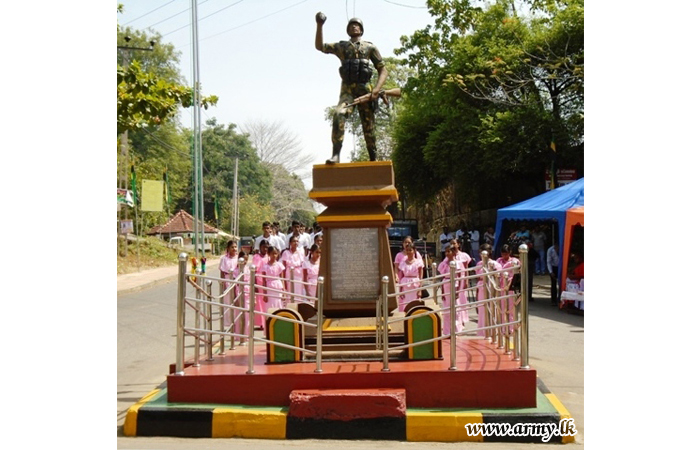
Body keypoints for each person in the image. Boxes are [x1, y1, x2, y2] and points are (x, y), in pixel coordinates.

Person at [315, 12, 388, 163]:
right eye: (351, 25)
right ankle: (336, 155)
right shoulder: (342, 47)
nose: (354, 27)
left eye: (357, 25)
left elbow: (383, 69)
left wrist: (376, 89)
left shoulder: (370, 47)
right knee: (338, 114)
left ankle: (373, 158)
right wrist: (319, 25)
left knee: (369, 126)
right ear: (347, 30)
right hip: (347, 91)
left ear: (361, 29)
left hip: (365, 90)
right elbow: (320, 46)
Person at [474, 244, 503, 337]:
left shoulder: (496, 264)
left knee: (492, 308)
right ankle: (482, 331)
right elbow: (478, 277)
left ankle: (492, 331)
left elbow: (499, 276)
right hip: (482, 285)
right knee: (482, 309)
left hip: (492, 285)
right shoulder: (479, 264)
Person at [438, 245, 464, 336]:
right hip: (446, 284)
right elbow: (442, 277)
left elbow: (460, 277)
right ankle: (447, 331)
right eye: (446, 252)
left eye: (449, 251)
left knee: (455, 308)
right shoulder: (444, 263)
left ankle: (456, 330)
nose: (447, 253)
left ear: (453, 253)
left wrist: (458, 291)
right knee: (446, 309)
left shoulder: (457, 263)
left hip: (454, 284)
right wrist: (442, 291)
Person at [496, 244, 520, 332]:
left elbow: (516, 274)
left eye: (506, 254)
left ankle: (510, 328)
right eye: (502, 254)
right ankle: (503, 327)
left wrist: (509, 284)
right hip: (501, 285)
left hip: (510, 286)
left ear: (510, 252)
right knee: (502, 307)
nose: (504, 256)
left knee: (510, 308)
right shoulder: (499, 260)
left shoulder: (514, 261)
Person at [397, 243, 424, 312]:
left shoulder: (418, 262)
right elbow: (401, 276)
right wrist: (400, 290)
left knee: (414, 304)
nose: (408, 252)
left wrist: (420, 290)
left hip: (415, 284)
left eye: (410, 250)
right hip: (405, 285)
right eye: (407, 250)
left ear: (414, 251)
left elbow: (421, 276)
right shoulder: (403, 262)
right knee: (405, 304)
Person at [218, 240, 239, 331]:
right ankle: (229, 323)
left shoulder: (238, 258)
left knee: (236, 302)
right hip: (228, 280)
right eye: (232, 247)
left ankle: (237, 323)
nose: (234, 249)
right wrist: (223, 284)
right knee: (228, 302)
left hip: (237, 281)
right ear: (228, 248)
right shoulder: (224, 259)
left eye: (235, 247)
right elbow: (222, 272)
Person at [451, 238, 472, 326]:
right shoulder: (450, 255)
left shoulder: (464, 255)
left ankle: (463, 320)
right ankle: (456, 319)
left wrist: (466, 280)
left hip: (462, 278)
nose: (453, 245)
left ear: (458, 244)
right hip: (454, 278)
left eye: (454, 243)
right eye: (451, 243)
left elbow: (466, 269)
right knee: (455, 300)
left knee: (462, 299)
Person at [281, 235, 306, 302]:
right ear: (290, 243)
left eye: (297, 241)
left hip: (299, 275)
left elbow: (303, 265)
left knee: (298, 292)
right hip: (289, 274)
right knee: (290, 291)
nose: (296, 243)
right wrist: (284, 281)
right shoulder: (286, 253)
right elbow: (283, 267)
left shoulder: (301, 252)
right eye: (294, 241)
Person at [261, 246, 287, 311]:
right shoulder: (265, 267)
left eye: (276, 253)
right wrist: (265, 294)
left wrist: (284, 292)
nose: (274, 255)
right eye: (272, 254)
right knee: (270, 306)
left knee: (279, 305)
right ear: (269, 254)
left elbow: (282, 278)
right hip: (269, 288)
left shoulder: (279, 265)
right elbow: (264, 281)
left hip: (278, 287)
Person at [252, 239, 270, 329]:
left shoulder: (269, 256)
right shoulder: (256, 257)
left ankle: (267, 320)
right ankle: (261, 323)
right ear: (260, 247)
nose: (265, 249)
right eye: (263, 247)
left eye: (267, 247)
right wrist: (254, 284)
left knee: (267, 301)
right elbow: (254, 271)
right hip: (259, 280)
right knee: (260, 302)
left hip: (267, 280)